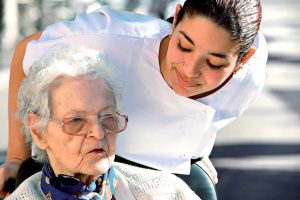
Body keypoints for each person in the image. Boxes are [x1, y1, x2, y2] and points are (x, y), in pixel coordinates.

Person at [0, 0, 268, 199]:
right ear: (174, 20)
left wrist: (193, 151)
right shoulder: (109, 39)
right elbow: (26, 51)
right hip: (97, 152)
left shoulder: (248, 81)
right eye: (183, 46)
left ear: (242, 61)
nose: (190, 70)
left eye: (213, 63)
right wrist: (15, 158)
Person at [5, 46, 200, 200]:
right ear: (38, 132)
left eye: (107, 117)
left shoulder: (167, 193)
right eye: (76, 120)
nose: (98, 133)